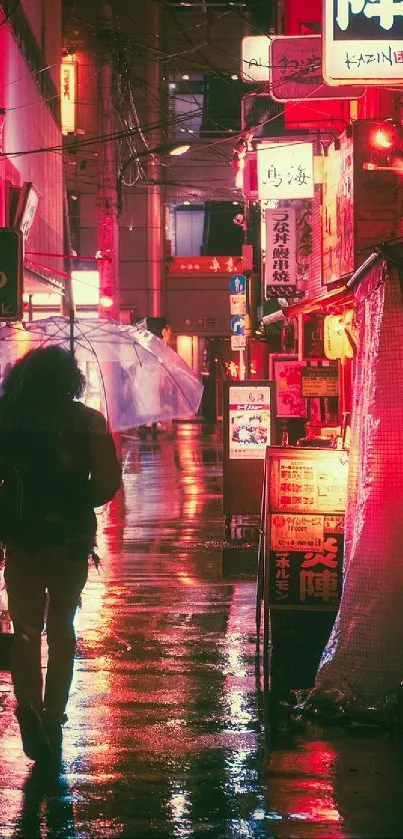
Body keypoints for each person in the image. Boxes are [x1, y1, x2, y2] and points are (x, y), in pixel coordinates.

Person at [0, 345, 121, 764]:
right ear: (71, 380)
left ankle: (27, 707)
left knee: (27, 628)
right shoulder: (87, 422)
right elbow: (106, 484)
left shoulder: (9, 421)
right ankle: (53, 715)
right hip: (69, 539)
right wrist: (74, 501)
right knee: (63, 626)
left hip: (22, 538)